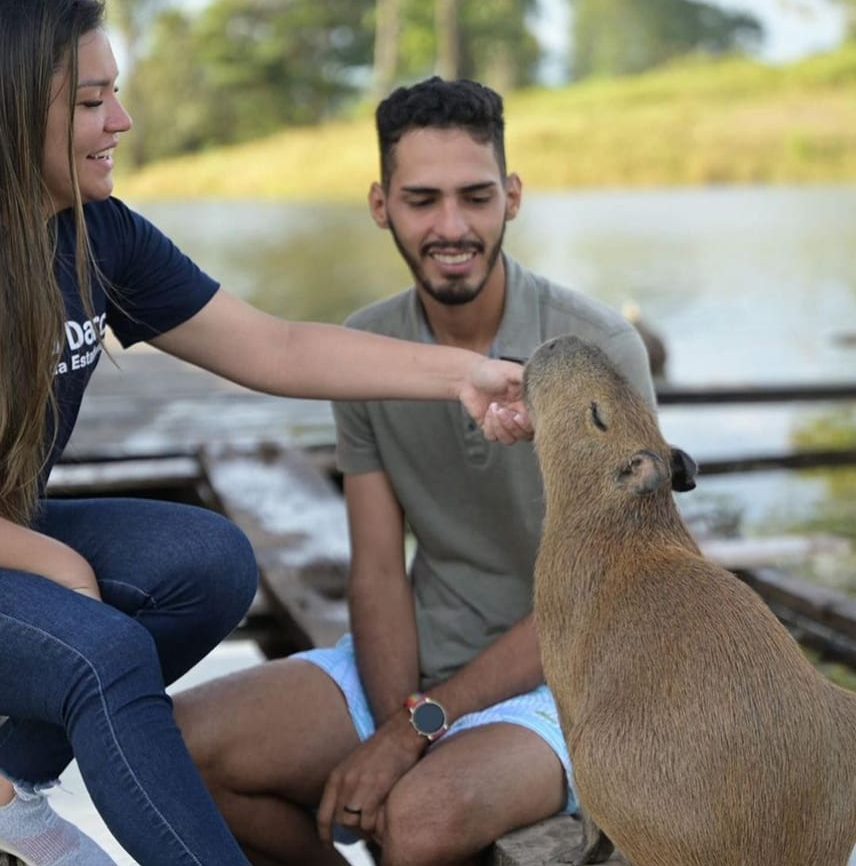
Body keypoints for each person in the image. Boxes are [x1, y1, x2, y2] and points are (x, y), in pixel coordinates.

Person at [0, 4, 529, 865]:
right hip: (14, 550)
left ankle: (7, 785)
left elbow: (273, 347)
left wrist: (458, 374)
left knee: (210, 564)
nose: (122, 123)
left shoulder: (102, 238)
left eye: (117, 95)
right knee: (106, 654)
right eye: (93, 102)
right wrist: (52, 564)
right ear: (16, 111)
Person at [175, 77, 657, 865]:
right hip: (429, 660)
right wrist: (400, 713)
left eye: (474, 197)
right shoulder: (368, 348)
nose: (451, 226)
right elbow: (377, 574)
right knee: (180, 748)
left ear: (513, 197)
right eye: (422, 200)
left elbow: (603, 590)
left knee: (421, 817)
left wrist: (415, 729)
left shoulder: (599, 350)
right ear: (380, 204)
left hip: (582, 677)